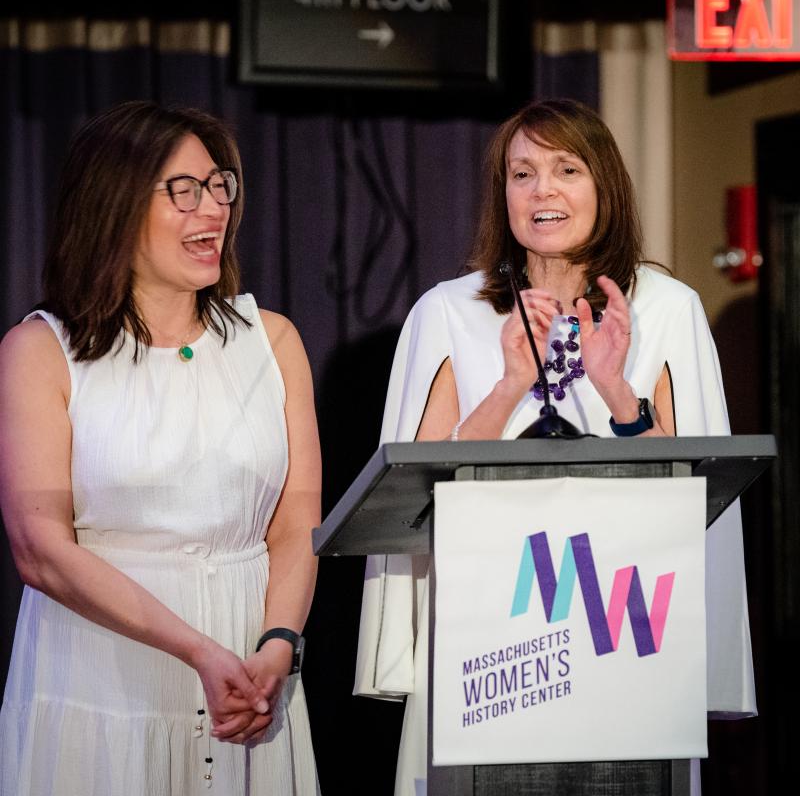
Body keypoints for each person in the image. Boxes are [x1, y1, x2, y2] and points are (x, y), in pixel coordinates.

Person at [354, 99, 756, 795]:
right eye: (522, 173)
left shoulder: (666, 308)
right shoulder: (451, 312)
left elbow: (693, 492)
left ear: (604, 186)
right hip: (487, 658)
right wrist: (510, 384)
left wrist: (614, 389)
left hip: (628, 645)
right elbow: (411, 491)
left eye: (566, 169)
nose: (542, 190)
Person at [0, 101, 321, 795]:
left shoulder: (274, 342)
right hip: (104, 676)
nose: (212, 210)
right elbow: (39, 549)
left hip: (250, 679)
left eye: (219, 186)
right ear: (113, 205)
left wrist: (277, 647)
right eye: (183, 190)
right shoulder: (41, 351)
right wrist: (196, 651)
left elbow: (297, 527)